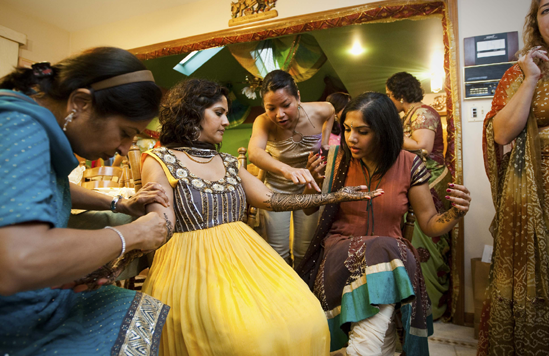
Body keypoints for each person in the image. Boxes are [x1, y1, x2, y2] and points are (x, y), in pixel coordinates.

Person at [140, 79, 382, 356]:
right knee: (248, 338)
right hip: (190, 263)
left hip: (242, 255)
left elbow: (272, 199)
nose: (227, 122)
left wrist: (335, 196)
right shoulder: (158, 159)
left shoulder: (228, 162)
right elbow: (161, 225)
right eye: (219, 113)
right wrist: (125, 220)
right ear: (192, 112)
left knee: (307, 315)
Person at [0, 47, 171, 356]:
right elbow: (17, 259)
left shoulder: (28, 125)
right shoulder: (18, 126)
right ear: (81, 103)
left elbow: (53, 186)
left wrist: (118, 205)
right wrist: (134, 234)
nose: (123, 149)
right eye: (124, 133)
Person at [298, 92, 471, 356]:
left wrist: (456, 213)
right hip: (341, 253)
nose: (351, 138)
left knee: (384, 248)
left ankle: (364, 348)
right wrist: (311, 182)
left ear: (383, 131)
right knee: (384, 251)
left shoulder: (409, 164)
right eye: (346, 129)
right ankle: (373, 345)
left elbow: (430, 224)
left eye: (362, 131)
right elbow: (310, 209)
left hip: (392, 257)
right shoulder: (335, 159)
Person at [479, 0, 549, 354]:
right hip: (534, 196)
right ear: (535, 20)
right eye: (547, 10)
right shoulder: (520, 73)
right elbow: (502, 133)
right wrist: (532, 77)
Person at [248, 69, 335, 267]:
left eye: (286, 105)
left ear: (298, 97)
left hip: (309, 190)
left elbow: (331, 111)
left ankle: (305, 295)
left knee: (305, 250)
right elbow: (254, 152)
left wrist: (326, 140)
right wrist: (288, 170)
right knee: (278, 252)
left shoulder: (320, 110)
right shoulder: (262, 122)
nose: (279, 115)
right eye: (271, 108)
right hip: (277, 191)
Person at [385, 71, 451, 320]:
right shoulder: (412, 115)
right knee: (416, 240)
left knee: (427, 242)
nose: (390, 101)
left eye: (390, 96)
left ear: (400, 96)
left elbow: (422, 145)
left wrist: (390, 135)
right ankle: (418, 304)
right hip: (420, 181)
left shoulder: (423, 113)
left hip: (430, 182)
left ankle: (432, 307)